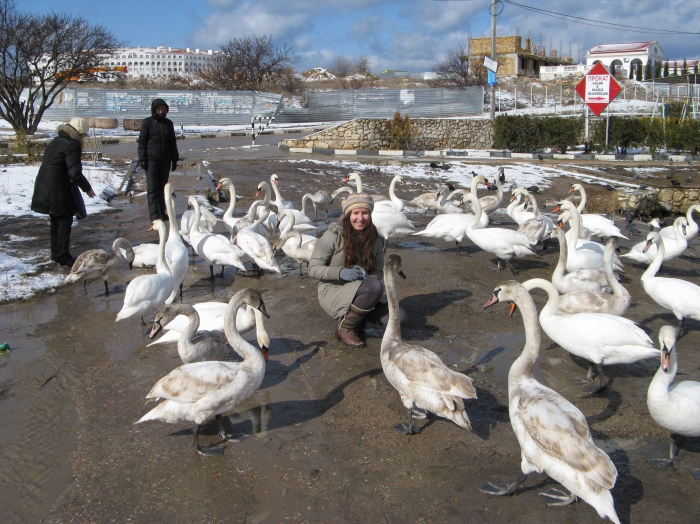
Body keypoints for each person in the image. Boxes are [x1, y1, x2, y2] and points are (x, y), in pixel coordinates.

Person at [308, 193, 405, 347]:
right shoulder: (333, 236)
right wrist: (340, 273)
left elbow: (379, 269)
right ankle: (345, 326)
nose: (360, 218)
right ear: (348, 214)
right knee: (375, 287)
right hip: (334, 288)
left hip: (364, 289)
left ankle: (358, 318)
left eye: (365, 213)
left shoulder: (375, 239)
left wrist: (367, 278)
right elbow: (312, 269)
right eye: (355, 213)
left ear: (370, 214)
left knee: (399, 319)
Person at [31, 117, 96, 267]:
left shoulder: (57, 141)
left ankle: (56, 253)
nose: (84, 138)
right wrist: (88, 189)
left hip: (45, 185)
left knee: (56, 220)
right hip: (58, 188)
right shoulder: (72, 145)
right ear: (80, 134)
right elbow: (75, 172)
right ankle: (62, 256)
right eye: (84, 135)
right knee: (64, 220)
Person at [138, 98, 179, 221]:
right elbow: (142, 142)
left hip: (165, 160)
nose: (161, 111)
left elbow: (172, 142)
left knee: (163, 187)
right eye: (158, 109)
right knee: (152, 188)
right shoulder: (147, 123)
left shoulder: (168, 123)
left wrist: (174, 158)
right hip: (152, 160)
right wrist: (143, 159)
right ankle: (154, 215)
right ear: (154, 110)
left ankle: (162, 212)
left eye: (163, 109)